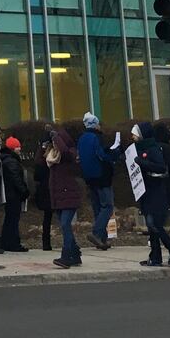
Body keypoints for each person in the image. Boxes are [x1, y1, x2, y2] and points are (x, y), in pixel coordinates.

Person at [130, 123, 170, 267]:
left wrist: (142, 163)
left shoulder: (153, 149)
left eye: (135, 134)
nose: (133, 137)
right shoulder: (139, 149)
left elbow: (161, 167)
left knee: (154, 224)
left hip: (155, 191)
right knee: (151, 226)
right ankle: (155, 256)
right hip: (145, 191)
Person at [77, 113, 117, 251]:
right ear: (95, 124)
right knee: (107, 206)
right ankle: (96, 233)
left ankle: (102, 238)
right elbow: (102, 155)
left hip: (89, 177)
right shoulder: (97, 137)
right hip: (102, 176)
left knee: (97, 207)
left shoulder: (82, 138)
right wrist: (113, 156)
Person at [47, 127, 84, 269]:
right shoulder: (53, 155)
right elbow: (39, 160)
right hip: (57, 196)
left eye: (57, 141)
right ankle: (75, 254)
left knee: (65, 224)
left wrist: (56, 137)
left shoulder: (71, 153)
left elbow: (64, 151)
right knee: (64, 225)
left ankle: (66, 255)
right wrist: (44, 143)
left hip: (69, 194)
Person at [0, 136, 30, 252]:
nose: (19, 149)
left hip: (9, 194)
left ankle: (6, 242)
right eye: (17, 147)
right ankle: (13, 243)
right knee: (13, 219)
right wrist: (24, 191)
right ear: (13, 149)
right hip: (13, 194)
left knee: (9, 219)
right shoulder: (12, 161)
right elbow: (16, 178)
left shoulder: (5, 159)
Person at [35, 129, 56, 252]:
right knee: (60, 215)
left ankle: (46, 243)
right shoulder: (53, 156)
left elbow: (36, 176)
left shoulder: (39, 158)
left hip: (44, 188)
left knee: (47, 217)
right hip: (51, 187)